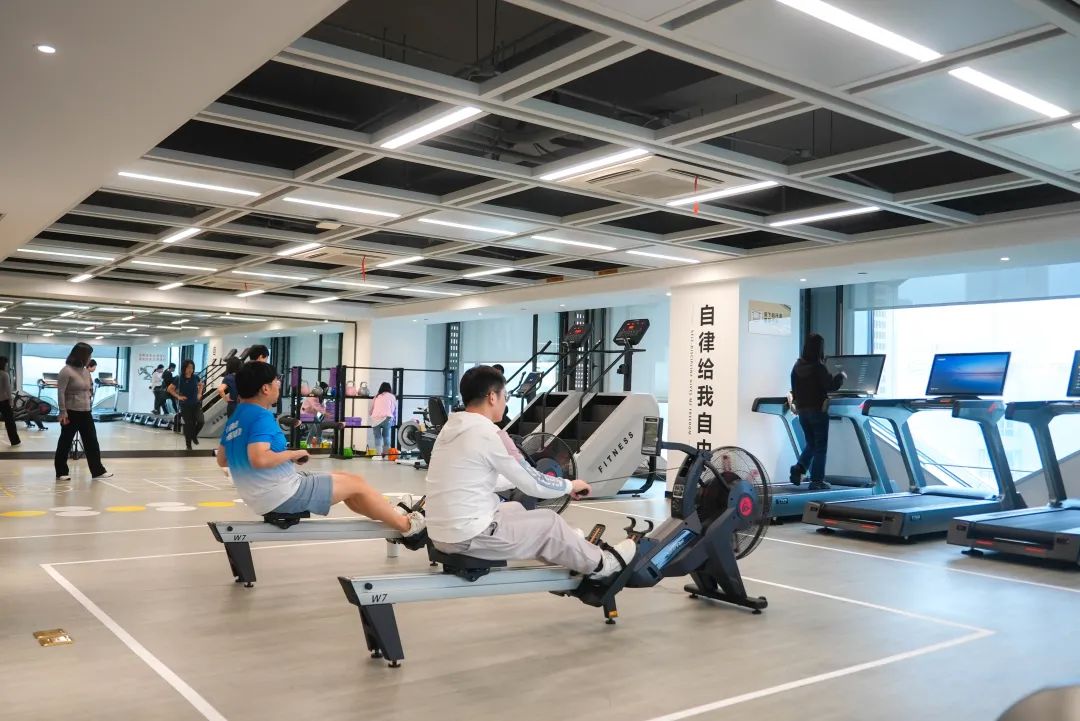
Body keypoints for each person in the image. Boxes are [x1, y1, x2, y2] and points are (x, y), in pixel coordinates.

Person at [425, 365, 635, 580]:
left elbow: (474, 479)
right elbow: (535, 484)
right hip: (468, 537)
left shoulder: (451, 429)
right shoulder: (490, 434)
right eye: (505, 396)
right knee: (549, 522)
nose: (505, 402)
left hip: (441, 534)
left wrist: (517, 479)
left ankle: (570, 546)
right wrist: (570, 485)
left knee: (515, 508)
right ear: (492, 397)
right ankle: (602, 565)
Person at [216, 362, 424, 538]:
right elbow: (259, 459)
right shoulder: (260, 416)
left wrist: (270, 459)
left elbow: (223, 460)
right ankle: (407, 526)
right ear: (265, 389)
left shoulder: (236, 418)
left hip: (261, 496)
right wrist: (293, 454)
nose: (279, 385)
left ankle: (393, 516)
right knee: (357, 484)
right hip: (282, 495)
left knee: (347, 480)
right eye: (276, 381)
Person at [789, 333, 846, 490]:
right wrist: (841, 377)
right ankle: (817, 481)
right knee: (820, 446)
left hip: (803, 412)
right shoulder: (818, 367)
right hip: (818, 411)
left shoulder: (796, 367)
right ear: (819, 349)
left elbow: (794, 389)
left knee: (812, 444)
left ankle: (799, 468)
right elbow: (830, 386)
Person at [55, 342, 111, 481]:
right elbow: (60, 393)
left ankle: (97, 471)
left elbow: (87, 390)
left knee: (92, 442)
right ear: (81, 356)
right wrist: (63, 412)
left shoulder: (85, 372)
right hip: (71, 412)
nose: (90, 358)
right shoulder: (66, 371)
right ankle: (61, 471)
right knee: (65, 442)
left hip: (86, 412)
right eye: (89, 355)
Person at [169, 359, 204, 451]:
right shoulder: (179, 378)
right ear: (184, 368)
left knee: (201, 421)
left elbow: (201, 385)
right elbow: (170, 389)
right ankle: (188, 445)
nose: (190, 370)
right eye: (188, 367)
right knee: (189, 424)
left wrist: (199, 394)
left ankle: (194, 435)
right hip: (185, 405)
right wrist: (178, 397)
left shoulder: (195, 377)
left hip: (196, 404)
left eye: (192, 368)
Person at [369, 382, 397, 458]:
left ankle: (378, 454)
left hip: (375, 418)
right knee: (386, 436)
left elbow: (371, 408)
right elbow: (393, 408)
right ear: (389, 389)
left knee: (377, 437)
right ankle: (386, 454)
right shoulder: (391, 396)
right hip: (386, 418)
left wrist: (371, 414)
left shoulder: (376, 396)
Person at [0, 356, 21, 447]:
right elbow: (8, 390)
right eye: (6, 364)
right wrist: (11, 402)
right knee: (10, 422)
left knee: (10, 422)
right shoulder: (4, 374)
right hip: (4, 401)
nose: (6, 365)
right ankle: (15, 441)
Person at [491, 364, 512, 429]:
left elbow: (505, 398)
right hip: (493, 409)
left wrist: (508, 395)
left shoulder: (502, 384)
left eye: (499, 374)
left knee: (510, 423)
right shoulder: (488, 384)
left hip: (500, 409)